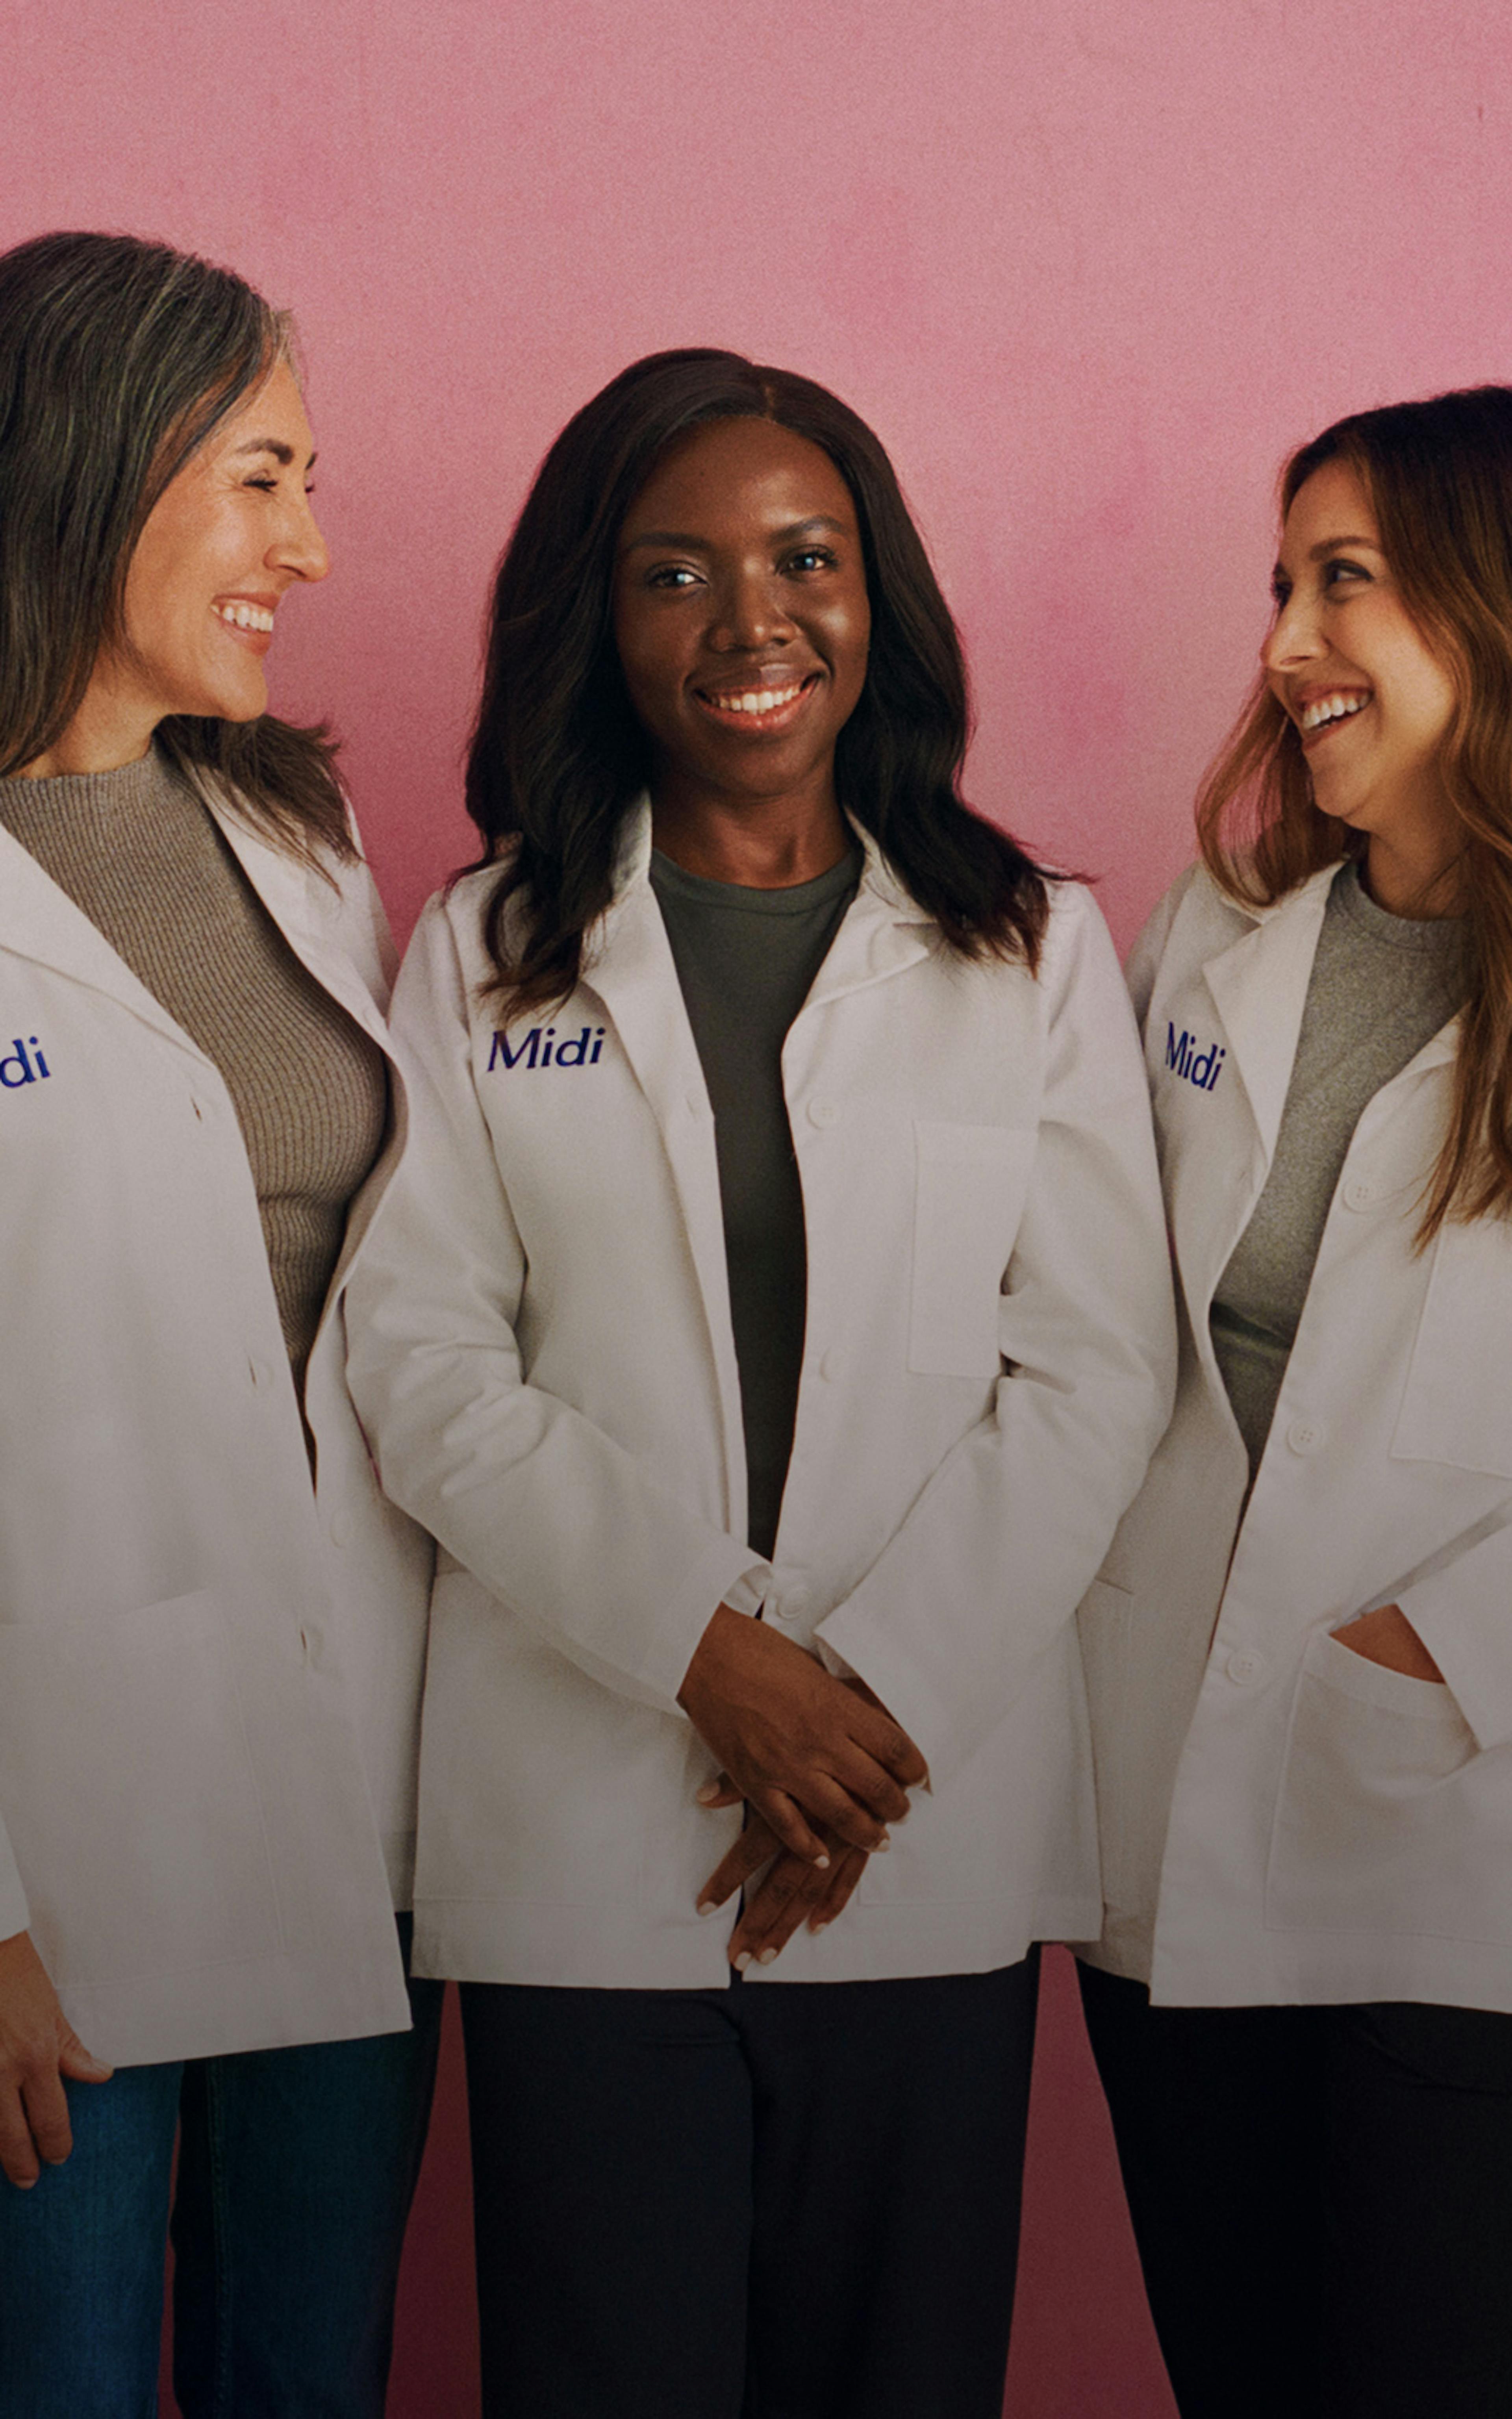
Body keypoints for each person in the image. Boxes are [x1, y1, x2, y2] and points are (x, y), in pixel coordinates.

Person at [345, 345, 1176, 2419]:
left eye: (806, 558)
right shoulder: (485, 949)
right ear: (594, 617)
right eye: (675, 572)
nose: (752, 620)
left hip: (920, 1834)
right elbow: (424, 1353)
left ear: (875, 591)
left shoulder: (1032, 951)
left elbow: (1093, 1365)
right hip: (575, 1849)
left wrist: (861, 1701)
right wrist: (711, 1655)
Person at [0, 231, 439, 2418]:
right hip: (52, 1860)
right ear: (97, 459)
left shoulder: (294, 825)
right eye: (261, 477)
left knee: (310, 2381)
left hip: (339, 1802)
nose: (312, 543)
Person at [1076, 385, 1512, 2419]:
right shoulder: (1211, 951)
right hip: (1175, 1836)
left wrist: (1447, 1648)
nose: (1280, 647)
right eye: (1282, 584)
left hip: (1460, 1839)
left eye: (1346, 581)